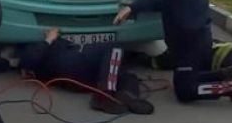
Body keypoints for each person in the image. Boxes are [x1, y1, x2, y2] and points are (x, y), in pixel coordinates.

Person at [16, 27, 155, 115]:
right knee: (114, 47)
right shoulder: (30, 45)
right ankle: (104, 95)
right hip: (70, 65)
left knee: (127, 76)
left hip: (82, 73)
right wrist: (48, 40)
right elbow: (28, 60)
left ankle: (128, 97)